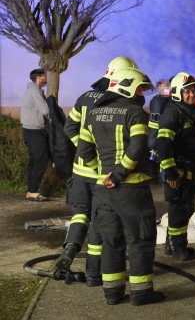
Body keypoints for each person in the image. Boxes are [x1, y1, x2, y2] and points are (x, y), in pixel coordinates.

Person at [76, 66, 165, 306]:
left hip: (102, 192)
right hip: (131, 190)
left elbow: (83, 150)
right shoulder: (135, 112)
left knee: (110, 241)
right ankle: (141, 292)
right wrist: (117, 175)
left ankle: (113, 293)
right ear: (127, 87)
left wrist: (104, 175)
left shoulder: (94, 112)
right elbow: (137, 148)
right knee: (139, 239)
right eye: (139, 89)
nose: (141, 94)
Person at [54, 56, 139, 286]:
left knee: (81, 213)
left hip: (82, 171)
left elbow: (69, 127)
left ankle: (70, 251)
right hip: (105, 175)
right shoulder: (120, 102)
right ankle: (94, 274)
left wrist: (84, 152)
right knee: (101, 223)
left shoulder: (85, 98)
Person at [156, 72, 195, 261]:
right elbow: (163, 144)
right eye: (187, 92)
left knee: (186, 208)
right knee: (178, 210)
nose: (192, 95)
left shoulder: (191, 111)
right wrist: (171, 174)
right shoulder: (173, 113)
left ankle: (172, 245)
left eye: (194, 91)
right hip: (177, 172)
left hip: (190, 170)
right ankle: (179, 249)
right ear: (177, 93)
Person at [21, 68, 51, 202]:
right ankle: (33, 191)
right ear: (39, 77)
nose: (47, 77)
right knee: (42, 159)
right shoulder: (34, 91)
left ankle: (31, 191)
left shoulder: (34, 90)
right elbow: (45, 110)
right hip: (33, 131)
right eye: (45, 75)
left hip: (30, 130)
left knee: (34, 160)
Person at [147, 79, 171, 151]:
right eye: (166, 87)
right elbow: (155, 124)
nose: (168, 89)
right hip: (158, 143)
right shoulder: (158, 101)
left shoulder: (160, 100)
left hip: (161, 141)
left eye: (168, 87)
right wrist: (153, 144)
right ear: (159, 89)